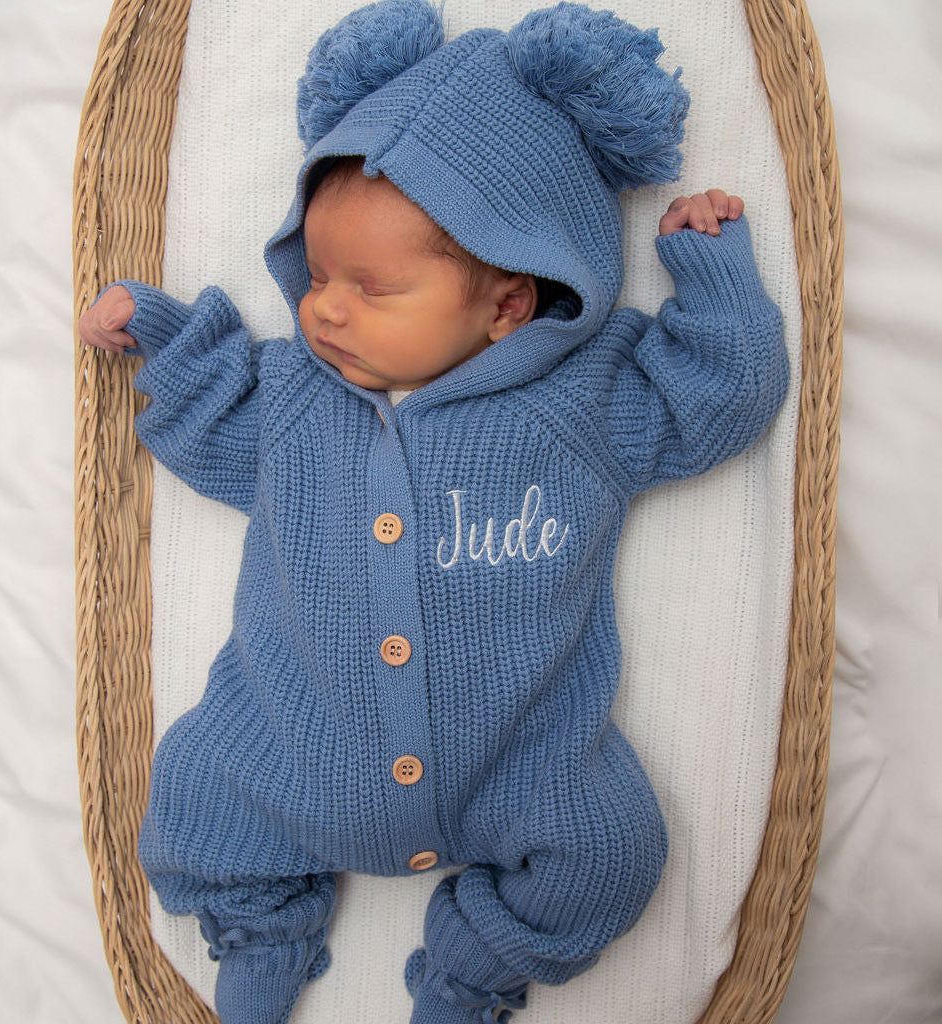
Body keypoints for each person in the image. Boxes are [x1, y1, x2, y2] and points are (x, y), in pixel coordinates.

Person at [78, 3, 789, 1023]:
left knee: (613, 854)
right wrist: (156, 329)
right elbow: (208, 412)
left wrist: (712, 277)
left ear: (506, 303)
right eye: (318, 273)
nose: (324, 307)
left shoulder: (583, 398)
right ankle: (260, 932)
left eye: (371, 288)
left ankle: (470, 975)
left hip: (520, 773)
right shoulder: (293, 397)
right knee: (193, 805)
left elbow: (719, 400)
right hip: (291, 754)